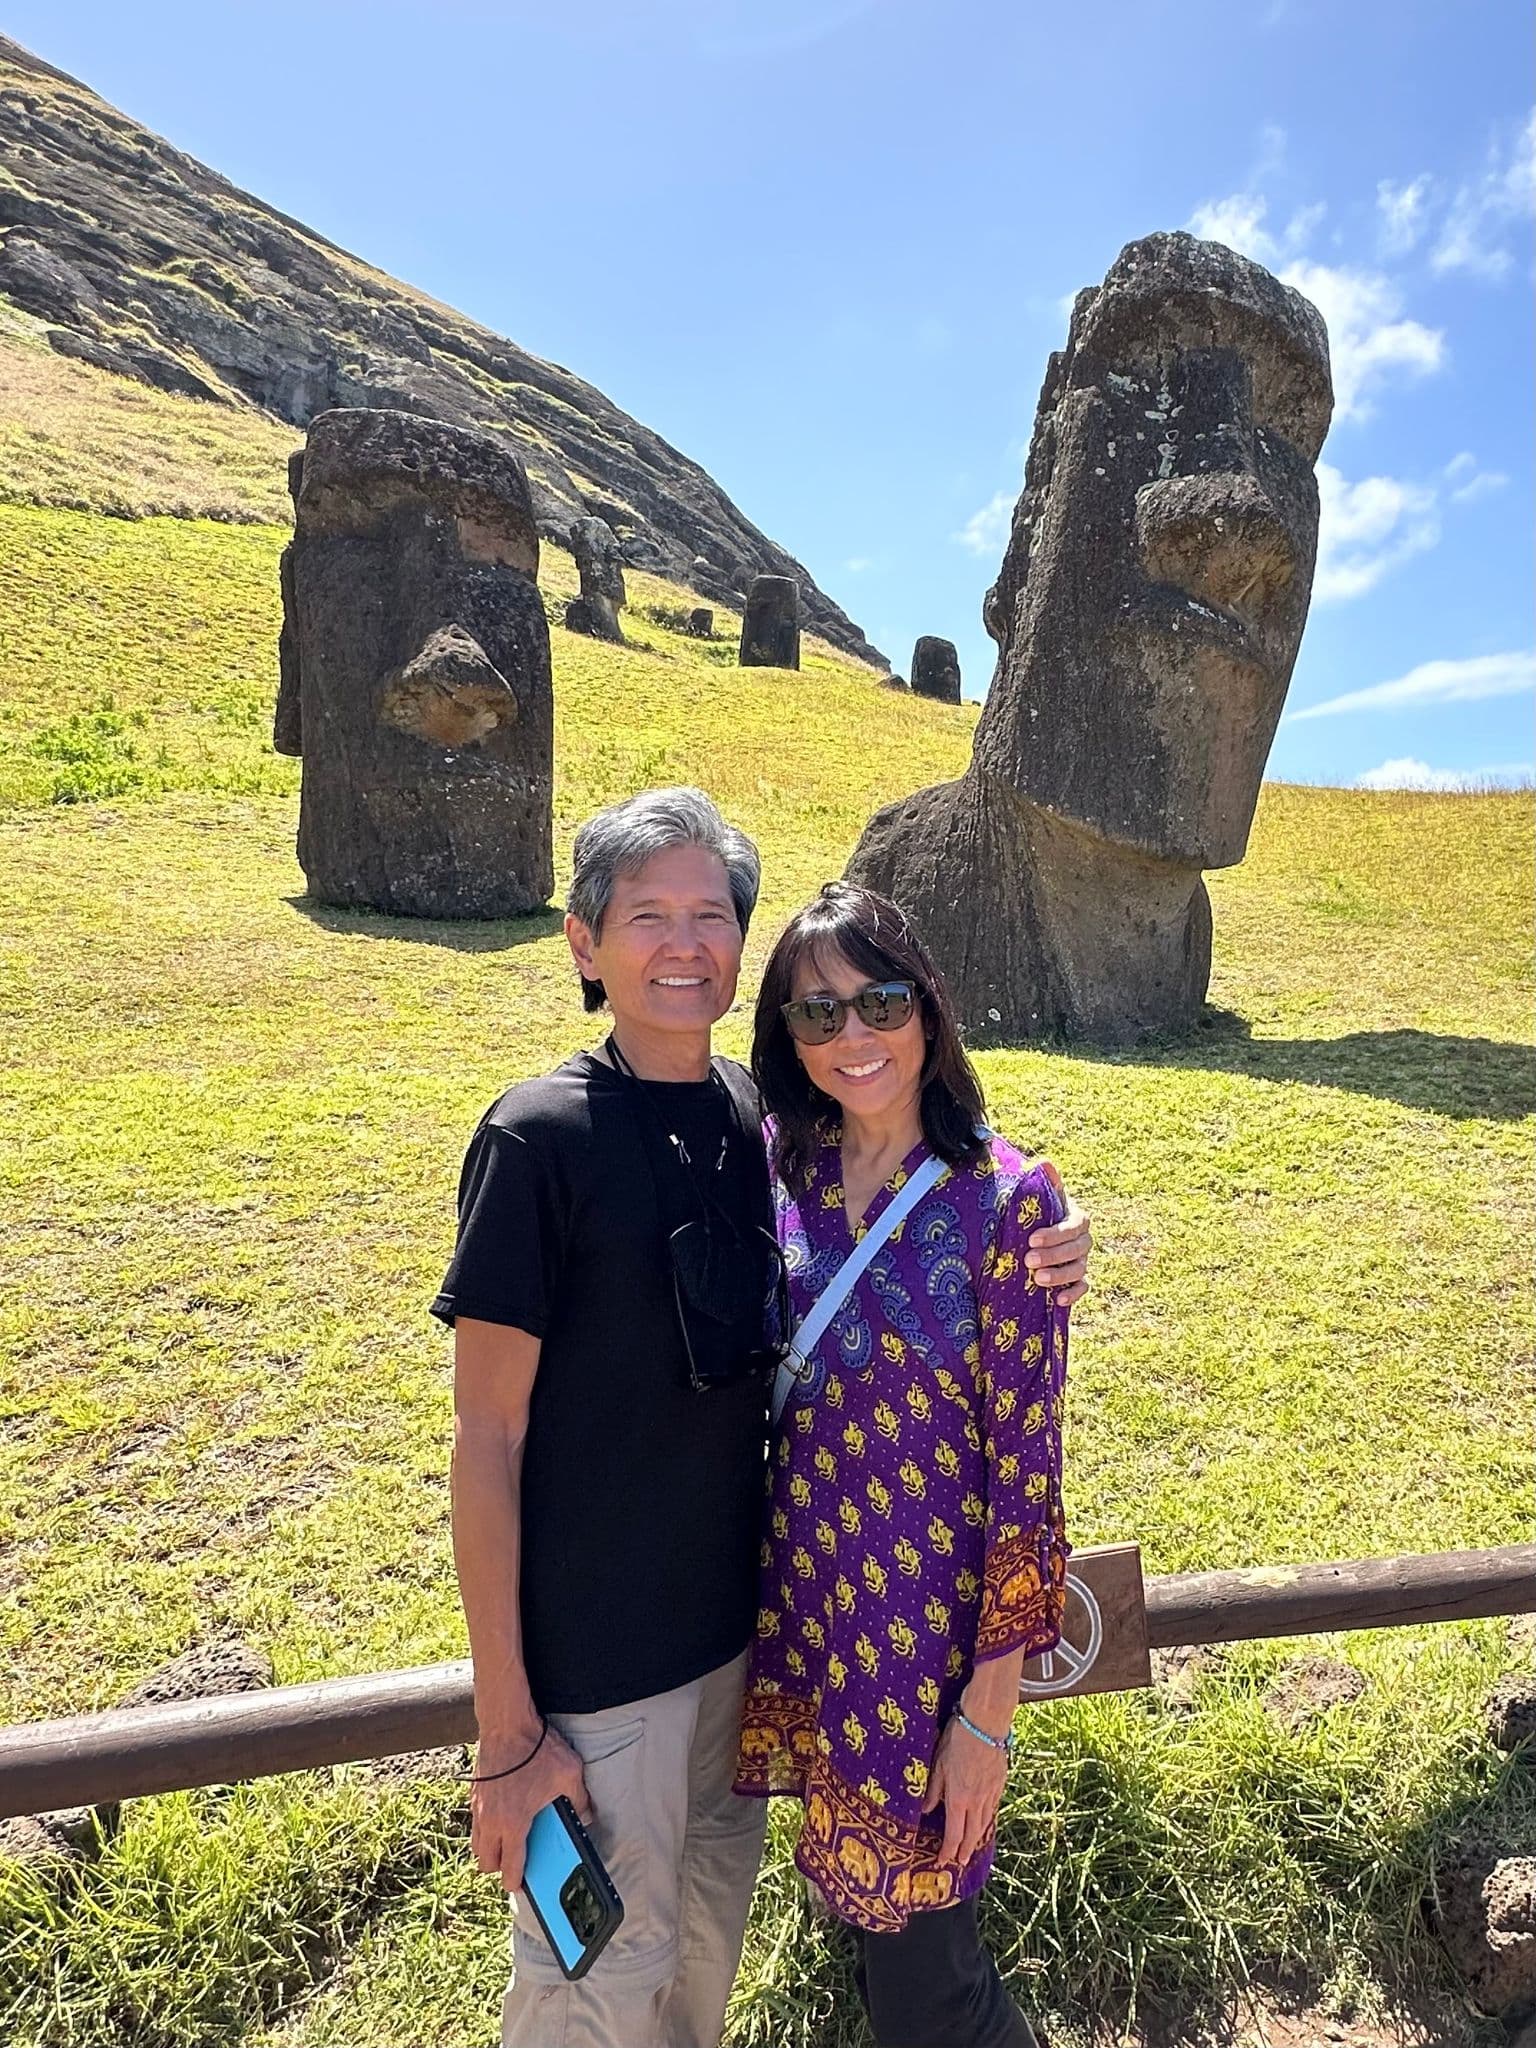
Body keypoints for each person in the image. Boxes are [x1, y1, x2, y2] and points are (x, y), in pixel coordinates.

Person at [435, 789, 1092, 2048]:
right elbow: (485, 1438)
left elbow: (1017, 1447)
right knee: (589, 2001)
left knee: (706, 1983)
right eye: (646, 915)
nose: (683, 943)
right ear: (585, 942)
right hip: (605, 1687)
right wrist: (509, 1731)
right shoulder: (548, 1138)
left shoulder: (762, 1133)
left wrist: (1059, 1235)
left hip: (776, 1661)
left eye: (708, 915)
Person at [735, 881, 1070, 2048]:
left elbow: (1029, 1480)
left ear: (927, 1005)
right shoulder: (783, 1172)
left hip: (932, 1654)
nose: (852, 1037)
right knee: (870, 1938)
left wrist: (988, 1716)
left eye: (876, 1000)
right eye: (815, 1014)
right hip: (822, 1620)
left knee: (935, 1998)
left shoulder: (1010, 1204)